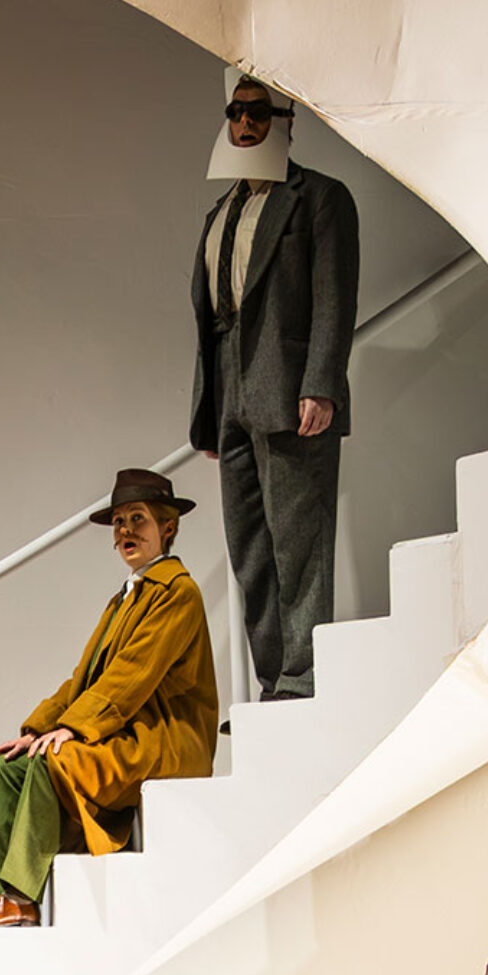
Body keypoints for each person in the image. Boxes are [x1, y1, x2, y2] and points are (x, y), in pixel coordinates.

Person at [0, 467, 218, 931]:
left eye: (138, 518)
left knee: (57, 761)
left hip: (167, 736)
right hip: (125, 725)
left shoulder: (177, 593)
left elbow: (131, 677)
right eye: (119, 523)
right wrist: (36, 729)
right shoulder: (125, 599)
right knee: (6, 768)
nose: (126, 530)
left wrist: (73, 729)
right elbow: (83, 679)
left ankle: (21, 898)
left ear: (167, 527)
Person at [190, 71, 358, 701]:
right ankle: (273, 682)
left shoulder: (318, 198)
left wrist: (322, 382)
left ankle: (305, 677)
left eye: (258, 111)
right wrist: (210, 410)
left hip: (289, 388)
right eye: (237, 111)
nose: (246, 123)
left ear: (284, 118)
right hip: (232, 392)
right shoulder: (221, 210)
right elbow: (212, 314)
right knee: (251, 548)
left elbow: (332, 297)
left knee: (298, 542)